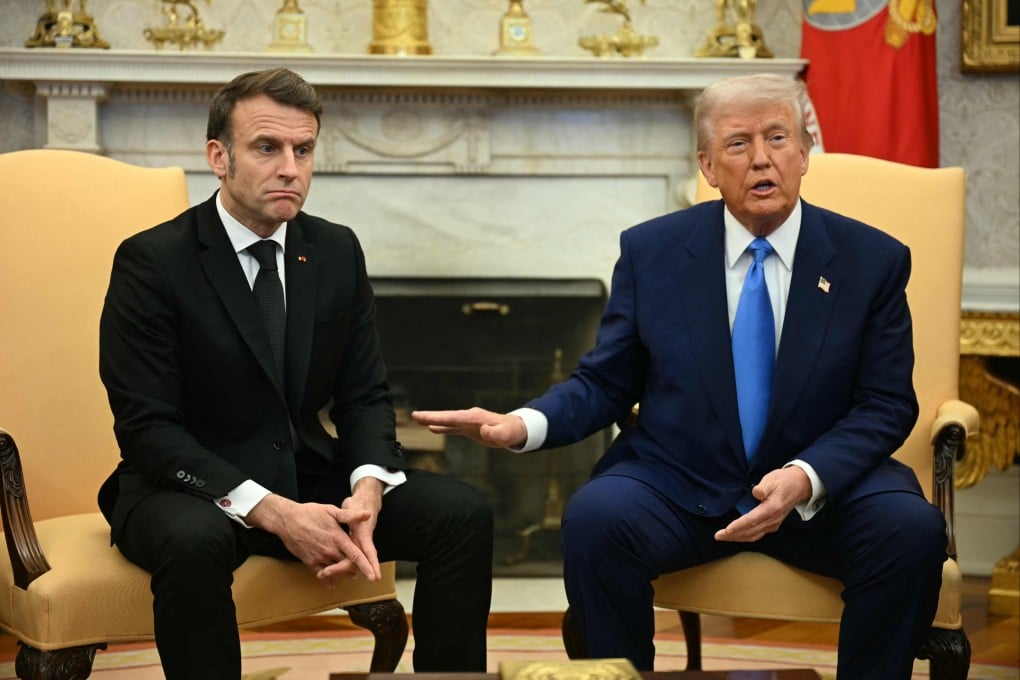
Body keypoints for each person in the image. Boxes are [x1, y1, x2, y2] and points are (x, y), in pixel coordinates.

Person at [412, 73, 946, 678]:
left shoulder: (871, 260)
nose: (762, 158)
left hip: (823, 489)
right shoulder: (653, 252)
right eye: (739, 143)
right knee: (595, 519)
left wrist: (805, 476)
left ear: (803, 153)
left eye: (777, 138)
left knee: (911, 531)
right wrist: (522, 424)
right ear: (708, 166)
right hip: (682, 482)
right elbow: (606, 382)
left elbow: (885, 403)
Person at [97, 67, 493, 679]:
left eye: (303, 150)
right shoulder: (152, 261)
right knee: (193, 541)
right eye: (267, 148)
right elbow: (147, 429)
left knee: (461, 513)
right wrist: (274, 512)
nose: (290, 168)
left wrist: (367, 487)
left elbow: (364, 395)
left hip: (306, 473)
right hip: (187, 489)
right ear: (219, 157)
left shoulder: (335, 250)